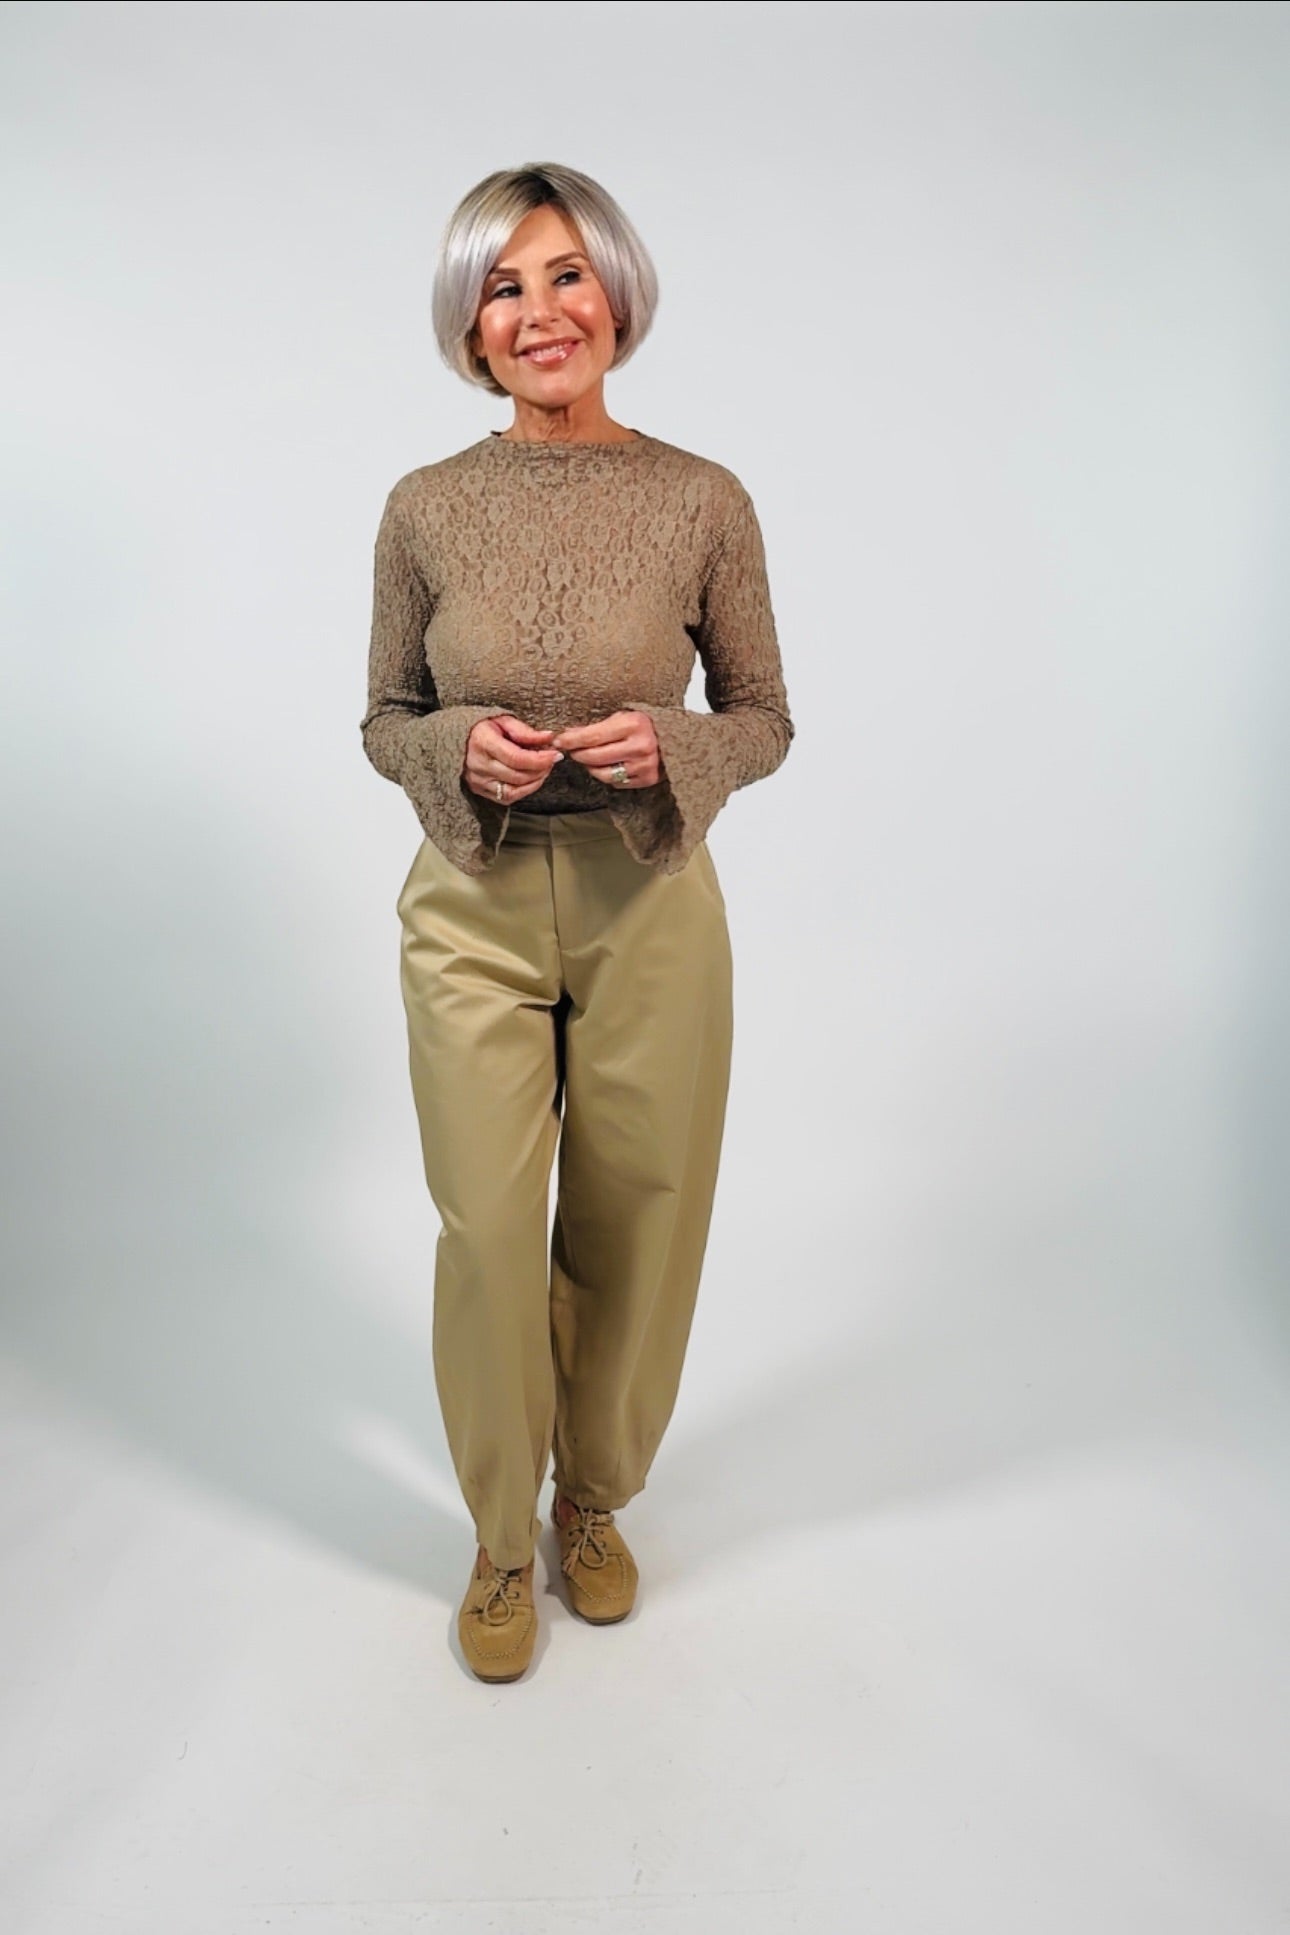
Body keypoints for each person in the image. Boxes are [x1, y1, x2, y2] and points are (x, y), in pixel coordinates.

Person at [360, 161, 794, 1682]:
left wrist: (671, 748)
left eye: (566, 274)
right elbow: (382, 718)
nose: (540, 311)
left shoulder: (702, 499)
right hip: (471, 897)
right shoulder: (423, 508)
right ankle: (498, 1536)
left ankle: (590, 1499)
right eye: (503, 285)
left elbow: (762, 716)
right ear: (468, 325)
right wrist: (449, 746)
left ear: (616, 292)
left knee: (638, 1209)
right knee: (488, 1225)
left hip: (648, 895)